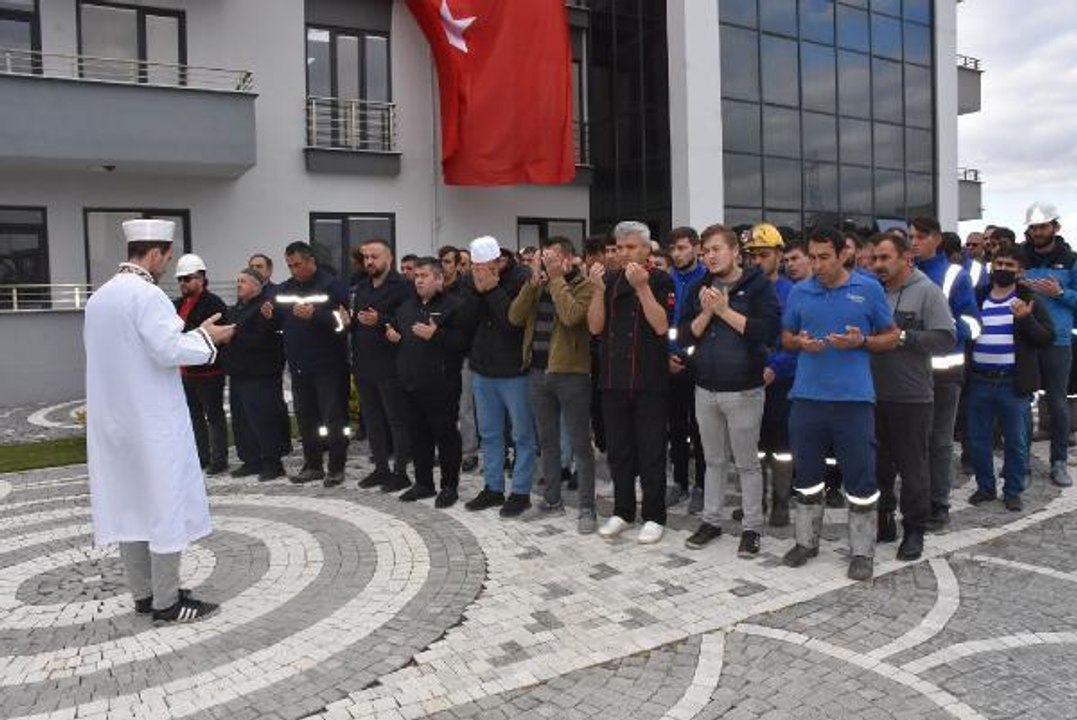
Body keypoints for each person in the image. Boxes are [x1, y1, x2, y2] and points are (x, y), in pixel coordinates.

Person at [84, 218, 234, 622]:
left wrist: (195, 334)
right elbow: (168, 350)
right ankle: (167, 602)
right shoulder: (147, 296)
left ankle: (145, 594)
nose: (167, 265)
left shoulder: (100, 298)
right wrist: (207, 337)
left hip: (115, 423)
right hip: (151, 421)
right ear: (154, 254)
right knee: (164, 503)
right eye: (167, 257)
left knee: (131, 503)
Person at [781, 228, 899, 581]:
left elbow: (891, 336)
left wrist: (861, 341)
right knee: (806, 477)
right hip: (806, 399)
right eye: (812, 257)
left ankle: (862, 551)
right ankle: (806, 542)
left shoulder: (868, 289)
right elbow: (786, 337)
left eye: (824, 257)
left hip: (853, 401)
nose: (816, 265)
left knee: (861, 476)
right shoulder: (800, 291)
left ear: (843, 255)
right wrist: (799, 343)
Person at [680, 224, 780, 556]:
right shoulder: (699, 287)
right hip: (705, 388)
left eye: (716, 249)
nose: (710, 255)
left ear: (736, 252)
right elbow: (684, 336)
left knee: (747, 462)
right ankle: (711, 520)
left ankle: (752, 528)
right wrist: (708, 312)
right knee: (712, 460)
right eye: (705, 250)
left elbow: (767, 332)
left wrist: (725, 311)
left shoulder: (757, 285)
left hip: (744, 390)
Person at [589, 221, 676, 544]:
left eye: (631, 247)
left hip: (649, 380)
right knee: (619, 451)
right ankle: (623, 511)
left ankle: (654, 515)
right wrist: (597, 291)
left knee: (651, 449)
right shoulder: (608, 281)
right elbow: (595, 327)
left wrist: (641, 287)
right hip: (613, 378)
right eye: (620, 248)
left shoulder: (661, 279)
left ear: (646, 249)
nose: (624, 253)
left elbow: (661, 326)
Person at [870, 233, 955, 561]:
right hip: (875, 394)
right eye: (875, 258)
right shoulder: (873, 291)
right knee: (879, 466)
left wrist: (902, 337)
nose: (878, 264)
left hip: (911, 397)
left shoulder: (928, 292)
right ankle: (884, 519)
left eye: (884, 258)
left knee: (913, 467)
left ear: (907, 258)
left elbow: (946, 338)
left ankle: (915, 530)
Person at [509, 236, 597, 533]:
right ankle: (552, 500)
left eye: (553, 257)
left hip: (571, 374)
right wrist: (532, 282)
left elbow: (572, 317)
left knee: (581, 445)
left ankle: (587, 508)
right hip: (537, 372)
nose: (547, 263)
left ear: (570, 259)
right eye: (544, 257)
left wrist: (557, 279)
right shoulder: (541, 284)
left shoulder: (585, 285)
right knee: (547, 442)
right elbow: (515, 316)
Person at [967, 245, 1055, 510]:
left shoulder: (1029, 300)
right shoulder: (978, 296)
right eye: (999, 263)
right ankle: (985, 487)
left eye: (1009, 265)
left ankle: (1013, 490)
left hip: (1012, 384)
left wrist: (1026, 319)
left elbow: (1046, 337)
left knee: (1016, 442)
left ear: (1020, 271)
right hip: (979, 380)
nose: (1003, 269)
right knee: (977, 439)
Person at [910, 217, 981, 531]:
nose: (913, 242)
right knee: (914, 441)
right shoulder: (905, 273)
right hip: (910, 373)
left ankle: (939, 504)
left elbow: (975, 325)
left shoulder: (955, 275)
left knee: (939, 442)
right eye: (910, 236)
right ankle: (917, 499)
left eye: (920, 237)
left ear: (936, 238)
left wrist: (941, 323)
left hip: (945, 373)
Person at [461, 236, 538, 517]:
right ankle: (493, 488)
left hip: (514, 371)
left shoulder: (522, 279)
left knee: (521, 435)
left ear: (498, 261)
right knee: (490, 434)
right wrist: (478, 291)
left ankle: (520, 492)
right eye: (474, 266)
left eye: (483, 265)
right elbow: (466, 320)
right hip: (482, 369)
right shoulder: (470, 282)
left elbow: (512, 322)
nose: (478, 271)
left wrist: (491, 290)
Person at [267, 241, 351, 486]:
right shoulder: (284, 289)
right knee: (306, 418)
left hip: (329, 366)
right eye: (290, 265)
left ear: (311, 260)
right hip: (299, 365)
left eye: (298, 265)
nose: (294, 270)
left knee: (334, 419)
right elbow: (278, 322)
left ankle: (336, 467)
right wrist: (269, 316)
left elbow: (344, 323)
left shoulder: (332, 286)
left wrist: (317, 315)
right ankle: (312, 465)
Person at [388, 258, 471, 507]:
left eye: (425, 275)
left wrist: (437, 334)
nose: (419, 280)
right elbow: (399, 333)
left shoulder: (455, 306)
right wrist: (392, 336)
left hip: (442, 384)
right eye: (417, 276)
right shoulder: (405, 307)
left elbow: (463, 343)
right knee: (418, 435)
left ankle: (449, 486)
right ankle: (423, 483)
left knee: (445, 435)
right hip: (410, 383)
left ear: (439, 279)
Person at [348, 239, 413, 493]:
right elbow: (357, 320)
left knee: (396, 420)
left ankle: (400, 472)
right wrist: (349, 320)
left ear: (389, 259)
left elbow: (407, 321)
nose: (369, 262)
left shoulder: (403, 287)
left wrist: (381, 320)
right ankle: (381, 468)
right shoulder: (361, 287)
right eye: (366, 257)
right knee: (372, 418)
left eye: (374, 256)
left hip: (391, 364)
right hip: (365, 363)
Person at [1021, 202, 1077, 486]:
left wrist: (1061, 292)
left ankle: (1058, 462)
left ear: (1055, 227)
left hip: (1057, 341)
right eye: (1033, 228)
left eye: (1043, 226)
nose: (1038, 232)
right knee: (1019, 402)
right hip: (1025, 341)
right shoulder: (1019, 258)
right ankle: (1021, 463)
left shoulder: (1071, 260)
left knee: (1057, 402)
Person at [745, 223, 796, 526]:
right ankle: (756, 501)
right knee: (752, 445)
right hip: (748, 379)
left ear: (779, 254)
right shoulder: (743, 289)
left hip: (781, 382)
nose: (756, 261)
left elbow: (795, 341)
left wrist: (774, 368)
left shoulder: (792, 292)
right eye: (751, 256)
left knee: (781, 448)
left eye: (763, 255)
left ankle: (780, 502)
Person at [222, 268, 287, 481]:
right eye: (237, 281)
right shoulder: (236, 309)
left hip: (260, 373)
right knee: (242, 420)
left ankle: (272, 462)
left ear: (256, 286)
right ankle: (250, 460)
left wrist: (234, 337)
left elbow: (265, 338)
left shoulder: (265, 306)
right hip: (238, 372)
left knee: (263, 419)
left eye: (243, 281)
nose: (238, 285)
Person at [173, 253, 229, 475]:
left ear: (201, 278)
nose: (183, 283)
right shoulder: (176, 304)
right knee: (194, 417)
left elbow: (219, 336)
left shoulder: (214, 304)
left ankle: (219, 459)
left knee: (213, 416)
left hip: (209, 371)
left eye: (187, 278)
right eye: (180, 279)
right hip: (186, 372)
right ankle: (201, 456)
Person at [665, 226, 708, 512]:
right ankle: (679, 482)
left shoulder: (708, 279)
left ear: (695, 247)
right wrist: (667, 356)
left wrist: (689, 356)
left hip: (700, 364)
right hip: (669, 363)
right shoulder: (666, 280)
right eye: (673, 249)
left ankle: (701, 486)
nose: (677, 254)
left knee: (701, 428)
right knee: (676, 427)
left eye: (682, 248)